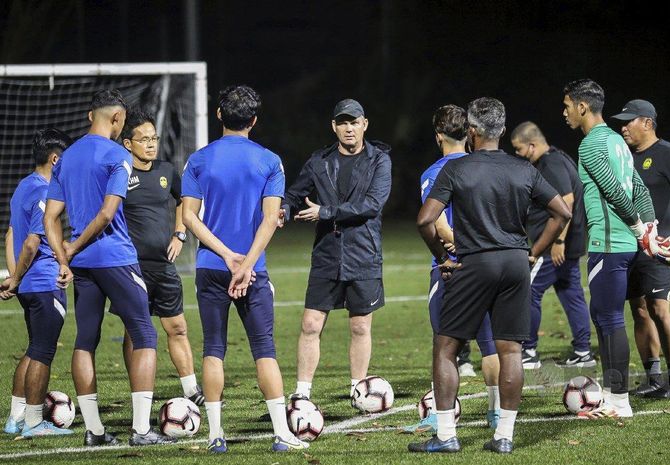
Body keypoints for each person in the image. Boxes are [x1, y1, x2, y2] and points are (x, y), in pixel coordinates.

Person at [411, 97, 571, 454]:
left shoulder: (456, 169)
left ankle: (446, 435)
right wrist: (533, 253)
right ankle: (504, 437)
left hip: (474, 262)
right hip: (515, 262)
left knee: (446, 347)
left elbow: (424, 220)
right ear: (501, 129)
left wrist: (441, 258)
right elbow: (561, 214)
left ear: (471, 131)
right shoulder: (524, 169)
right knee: (511, 349)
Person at [181, 85, 308, 454]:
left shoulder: (198, 160)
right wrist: (245, 263)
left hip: (210, 265)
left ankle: (215, 435)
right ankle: (282, 434)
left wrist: (225, 256)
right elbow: (272, 219)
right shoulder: (270, 161)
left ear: (219, 115)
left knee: (213, 348)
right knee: (264, 348)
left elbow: (189, 216)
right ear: (253, 120)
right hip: (252, 270)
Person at [44, 90, 174, 446]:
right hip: (115, 258)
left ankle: (94, 431)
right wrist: (73, 247)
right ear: (117, 120)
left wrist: (64, 256)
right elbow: (106, 213)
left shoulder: (66, 158)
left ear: (91, 116)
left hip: (82, 265)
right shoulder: (119, 155)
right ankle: (142, 430)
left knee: (86, 340)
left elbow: (50, 216)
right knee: (145, 335)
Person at [562, 79, 670, 419]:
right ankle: (612, 396)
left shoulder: (590, 145)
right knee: (603, 316)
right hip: (623, 244)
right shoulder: (616, 141)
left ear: (582, 107)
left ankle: (619, 402)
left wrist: (641, 229)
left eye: (567, 106)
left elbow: (612, 188)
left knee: (609, 319)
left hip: (608, 244)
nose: (564, 112)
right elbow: (638, 188)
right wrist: (650, 229)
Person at [282, 99, 392, 403]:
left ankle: (358, 390)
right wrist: (283, 209)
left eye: (354, 122)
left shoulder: (379, 160)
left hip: (364, 253)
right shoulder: (319, 161)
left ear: (364, 125)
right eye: (343, 123)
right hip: (327, 254)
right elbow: (294, 194)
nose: (349, 128)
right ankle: (302, 394)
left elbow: (372, 205)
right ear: (334, 127)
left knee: (360, 325)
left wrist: (326, 212)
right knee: (310, 323)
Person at [403, 104, 500, 435]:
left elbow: (437, 223)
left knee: (444, 347)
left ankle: (441, 416)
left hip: (451, 267)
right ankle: (495, 410)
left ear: (438, 135)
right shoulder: (484, 167)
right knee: (489, 343)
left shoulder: (436, 171)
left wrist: (460, 243)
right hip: (488, 265)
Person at [611, 99, 670, 398]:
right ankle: (653, 377)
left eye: (629, 121)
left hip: (658, 246)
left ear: (647, 123)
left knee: (660, 308)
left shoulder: (667, 153)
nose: (623, 127)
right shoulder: (625, 156)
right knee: (638, 309)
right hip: (629, 245)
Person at [119, 108, 204, 406]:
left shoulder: (166, 171)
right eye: (144, 139)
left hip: (164, 267)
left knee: (177, 327)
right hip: (131, 268)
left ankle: (192, 389)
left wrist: (180, 234)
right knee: (136, 331)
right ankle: (139, 392)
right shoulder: (119, 174)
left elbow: (186, 202)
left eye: (154, 138)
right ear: (128, 144)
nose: (151, 144)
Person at [1, 129, 73, 437]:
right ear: (56, 159)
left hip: (28, 285)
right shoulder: (46, 191)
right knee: (43, 352)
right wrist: (15, 278)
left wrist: (14, 278)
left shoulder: (22, 186)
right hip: (44, 282)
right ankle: (33, 422)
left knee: (33, 349)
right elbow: (31, 241)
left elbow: (10, 235)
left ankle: (14, 418)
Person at [511, 122, 593, 369]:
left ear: (532, 145)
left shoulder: (550, 163)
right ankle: (582, 352)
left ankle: (528, 351)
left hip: (554, 245)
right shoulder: (559, 157)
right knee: (571, 294)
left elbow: (566, 201)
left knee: (527, 292)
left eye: (518, 149)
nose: (516, 154)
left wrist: (558, 241)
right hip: (572, 242)